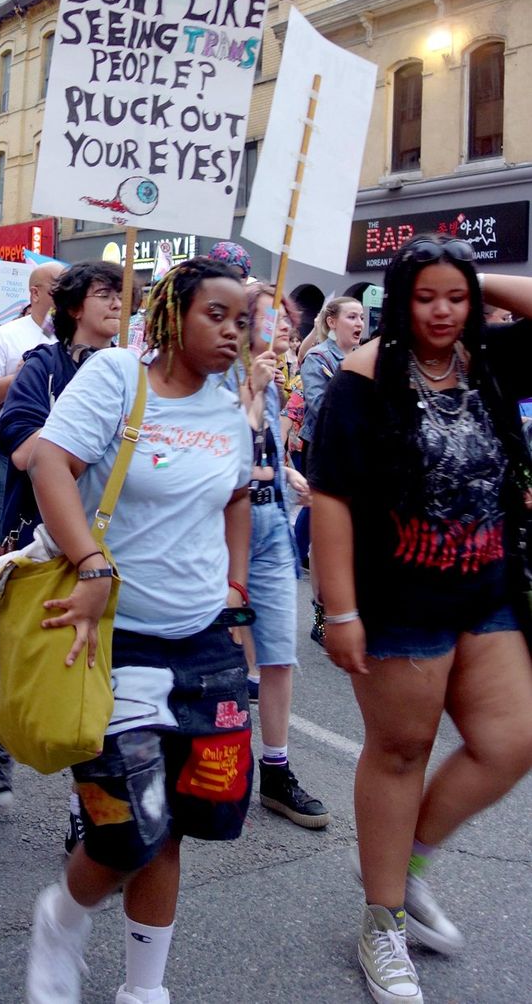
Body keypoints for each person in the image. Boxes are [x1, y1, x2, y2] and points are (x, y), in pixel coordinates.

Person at [309, 235, 532, 1004]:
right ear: (398, 302)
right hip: (399, 599)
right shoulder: (363, 378)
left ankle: (404, 861)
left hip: (489, 590)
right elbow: (332, 498)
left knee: (511, 743)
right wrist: (340, 611)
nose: (442, 311)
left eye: (457, 297)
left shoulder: (489, 360)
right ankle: (383, 922)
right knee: (401, 752)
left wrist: (474, 274)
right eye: (425, 295)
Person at [25, 258, 254, 1004]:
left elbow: (238, 500)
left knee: (185, 819)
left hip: (204, 641)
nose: (231, 332)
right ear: (171, 315)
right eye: (215, 315)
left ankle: (143, 991)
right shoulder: (119, 378)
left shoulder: (228, 407)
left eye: (241, 320)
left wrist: (235, 592)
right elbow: (49, 463)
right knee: (128, 828)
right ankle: (62, 913)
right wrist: (92, 565)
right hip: (114, 639)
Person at [0, 261, 123, 818]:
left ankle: (82, 817)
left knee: (92, 678)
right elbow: (22, 447)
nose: (116, 304)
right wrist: (76, 447)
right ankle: (2, 731)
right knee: (37, 661)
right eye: (104, 293)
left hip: (108, 543)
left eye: (121, 295)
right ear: (73, 308)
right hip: (41, 538)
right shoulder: (44, 364)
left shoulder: (133, 370)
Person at [226, 284, 329, 829]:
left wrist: (283, 472)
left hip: (272, 528)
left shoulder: (272, 382)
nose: (283, 325)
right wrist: (249, 406)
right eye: (268, 317)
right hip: (228, 536)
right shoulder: (219, 378)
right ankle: (221, 756)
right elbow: (223, 467)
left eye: (284, 316)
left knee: (279, 655)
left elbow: (263, 452)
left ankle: (277, 769)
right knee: (225, 653)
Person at [0, 262, 60, 554]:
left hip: (66, 453)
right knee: (6, 541)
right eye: (60, 288)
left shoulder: (77, 338)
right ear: (35, 293)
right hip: (11, 455)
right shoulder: (5, 337)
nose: (70, 294)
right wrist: (19, 378)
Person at [298, 296, 364, 642]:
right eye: (352, 316)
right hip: (325, 454)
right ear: (332, 321)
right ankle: (322, 618)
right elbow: (320, 407)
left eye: (362, 317)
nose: (359, 324)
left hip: (361, 454)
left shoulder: (365, 358)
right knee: (327, 538)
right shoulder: (319, 358)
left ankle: (351, 608)